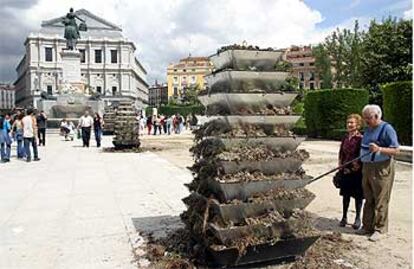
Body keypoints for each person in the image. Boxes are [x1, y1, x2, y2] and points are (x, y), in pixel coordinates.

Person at [358, 104, 399, 242]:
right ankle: (367, 226)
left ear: (377, 116)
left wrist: (380, 149)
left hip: (381, 168)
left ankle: (380, 229)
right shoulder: (368, 129)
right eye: (365, 118)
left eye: (368, 118)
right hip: (367, 167)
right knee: (368, 198)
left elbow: (396, 150)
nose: (366, 121)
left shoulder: (387, 129)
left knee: (381, 199)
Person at [337, 114, 364, 230]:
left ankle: (358, 218)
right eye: (348, 122)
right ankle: (344, 217)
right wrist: (340, 165)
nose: (349, 124)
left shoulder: (360, 138)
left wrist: (356, 167)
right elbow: (341, 152)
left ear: (357, 125)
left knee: (358, 196)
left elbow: (361, 154)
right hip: (345, 169)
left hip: (356, 171)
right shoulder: (345, 137)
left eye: (352, 123)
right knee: (345, 195)